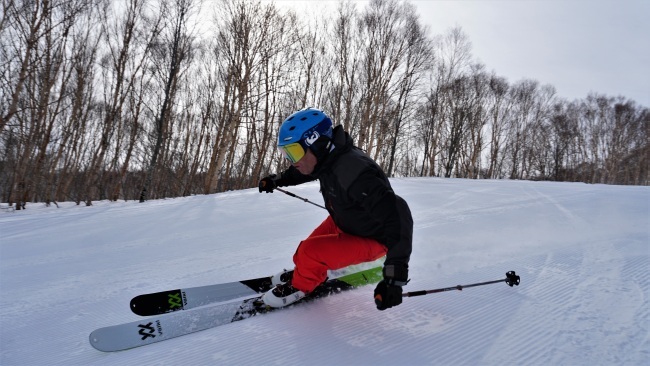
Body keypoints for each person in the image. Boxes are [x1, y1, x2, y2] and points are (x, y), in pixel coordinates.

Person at [258, 107, 413, 310]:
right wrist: (276, 180)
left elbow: (398, 215)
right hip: (346, 221)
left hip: (373, 237)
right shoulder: (326, 158)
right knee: (304, 251)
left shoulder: (354, 171)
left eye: (294, 152)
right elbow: (303, 171)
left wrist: (394, 279)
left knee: (309, 252)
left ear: (318, 143)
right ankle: (307, 270)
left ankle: (301, 286)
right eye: (286, 153)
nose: (291, 161)